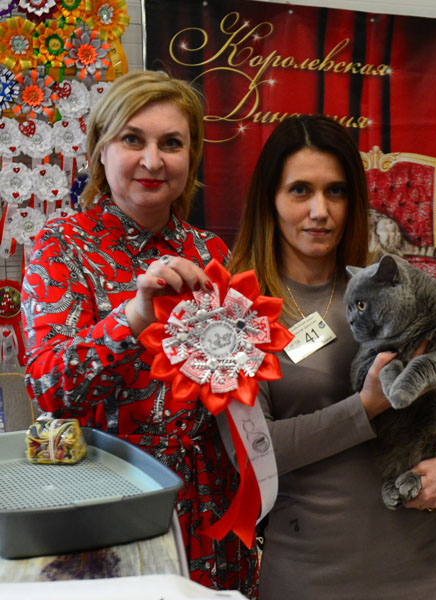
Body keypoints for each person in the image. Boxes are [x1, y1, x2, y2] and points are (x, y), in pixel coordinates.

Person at [227, 114, 436, 600]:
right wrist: (366, 407)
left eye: (336, 191)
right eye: (300, 190)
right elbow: (252, 451)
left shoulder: (387, 284)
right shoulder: (237, 311)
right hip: (311, 566)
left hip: (425, 561)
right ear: (269, 200)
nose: (320, 211)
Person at [21, 70, 257, 596]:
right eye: (133, 139)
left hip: (210, 507)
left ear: (191, 157)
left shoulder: (211, 252)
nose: (153, 161)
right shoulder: (61, 246)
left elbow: (234, 382)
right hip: (106, 505)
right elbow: (47, 386)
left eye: (171, 143)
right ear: (100, 150)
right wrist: (132, 317)